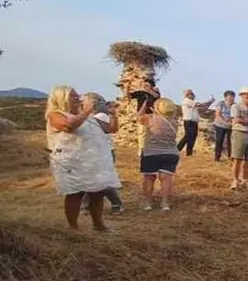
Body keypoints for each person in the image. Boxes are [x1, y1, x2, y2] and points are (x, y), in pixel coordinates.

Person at [44, 86, 122, 231]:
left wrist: (113, 115)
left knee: (98, 191)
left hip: (93, 161)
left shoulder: (90, 118)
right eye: (73, 96)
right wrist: (86, 111)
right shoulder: (55, 114)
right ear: (62, 98)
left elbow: (111, 129)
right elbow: (68, 126)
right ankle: (73, 227)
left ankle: (98, 224)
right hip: (71, 162)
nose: (78, 97)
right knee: (75, 193)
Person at [137, 98, 182, 211]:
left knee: (149, 178)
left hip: (151, 153)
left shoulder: (150, 119)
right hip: (171, 153)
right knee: (166, 178)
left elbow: (139, 116)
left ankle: (148, 202)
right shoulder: (174, 122)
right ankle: (165, 203)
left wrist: (145, 103)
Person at [82, 93, 124, 213]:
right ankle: (87, 205)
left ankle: (116, 203)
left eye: (84, 101)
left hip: (102, 153)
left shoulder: (99, 117)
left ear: (93, 104)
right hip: (98, 151)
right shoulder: (98, 116)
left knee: (101, 180)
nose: (82, 103)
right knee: (92, 179)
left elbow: (110, 129)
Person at [230, 86, 248, 189]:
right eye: (247, 96)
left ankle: (245, 181)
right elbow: (237, 119)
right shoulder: (236, 106)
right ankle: (235, 180)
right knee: (237, 158)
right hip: (240, 132)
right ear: (242, 96)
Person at [178, 89, 214, 156]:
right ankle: (177, 149)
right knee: (188, 136)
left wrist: (210, 103)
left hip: (194, 122)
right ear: (186, 95)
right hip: (188, 121)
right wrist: (210, 101)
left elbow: (203, 108)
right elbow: (201, 105)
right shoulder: (187, 101)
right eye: (190, 94)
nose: (192, 95)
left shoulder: (192, 103)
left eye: (192, 93)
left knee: (193, 137)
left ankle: (189, 153)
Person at [211, 90, 235, 161]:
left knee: (230, 141)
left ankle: (230, 156)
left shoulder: (234, 105)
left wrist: (231, 122)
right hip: (220, 125)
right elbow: (218, 114)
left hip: (230, 125)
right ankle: (217, 157)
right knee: (219, 140)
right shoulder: (221, 103)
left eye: (233, 97)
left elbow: (235, 115)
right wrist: (225, 122)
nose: (231, 98)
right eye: (230, 96)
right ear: (226, 97)